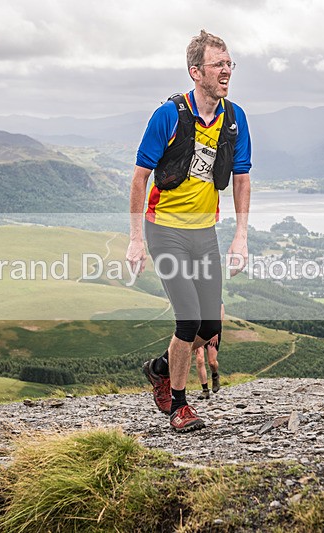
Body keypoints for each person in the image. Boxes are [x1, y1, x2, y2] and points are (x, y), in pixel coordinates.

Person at [127, 30, 251, 433]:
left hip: (205, 233)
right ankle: (179, 406)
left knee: (210, 329)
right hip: (165, 231)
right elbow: (140, 177)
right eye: (219, 64)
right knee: (187, 322)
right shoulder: (169, 116)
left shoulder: (234, 119)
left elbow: (241, 178)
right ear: (196, 72)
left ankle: (161, 368)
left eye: (230, 63)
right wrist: (135, 239)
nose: (227, 70)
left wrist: (240, 235)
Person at [195, 333, 220, 400]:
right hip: (198, 333)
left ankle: (215, 376)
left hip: (211, 330)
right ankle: (205, 390)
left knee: (212, 362)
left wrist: (215, 333)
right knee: (199, 360)